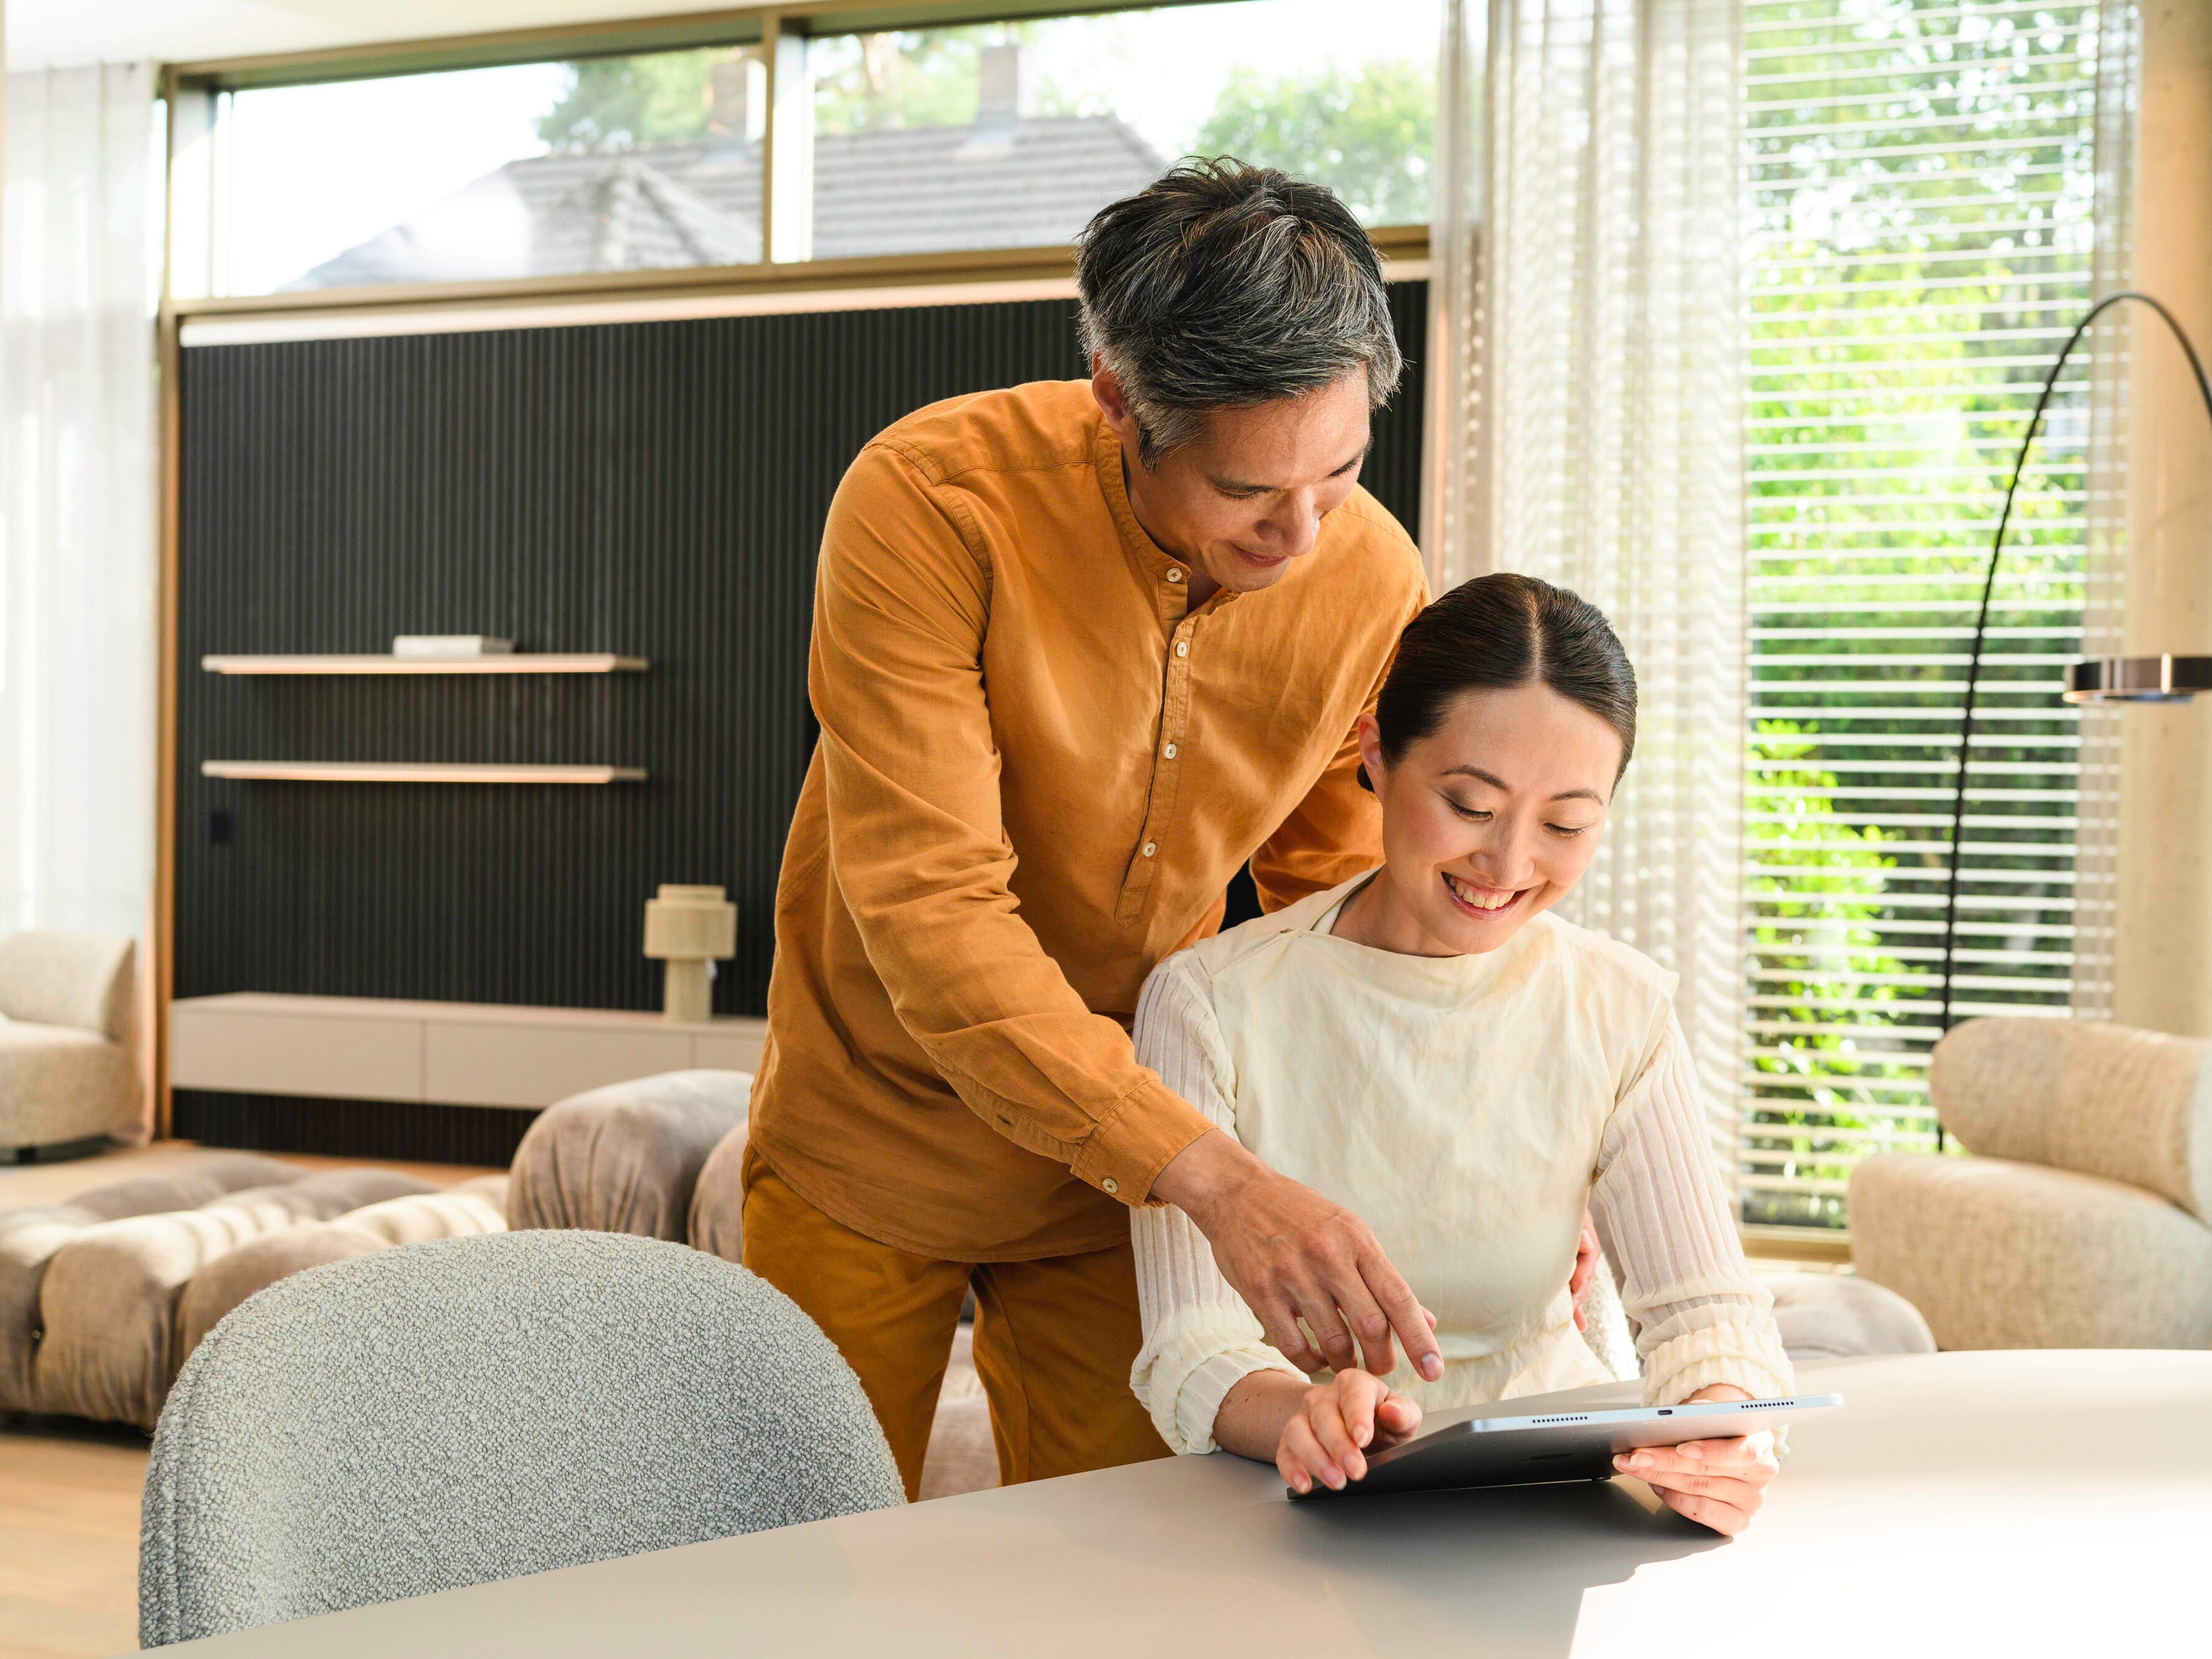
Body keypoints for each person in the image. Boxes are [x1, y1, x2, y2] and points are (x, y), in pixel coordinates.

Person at [741, 160, 1454, 1500]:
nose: (1303, 532)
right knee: (793, 1558)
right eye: (1247, 489)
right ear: (1117, 398)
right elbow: (933, 911)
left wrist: (1484, 1149)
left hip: (1125, 1184)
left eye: (1342, 472)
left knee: (1124, 1551)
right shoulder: (931, 501)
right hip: (875, 1133)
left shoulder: (1369, 573)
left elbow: (1344, 916)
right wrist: (1215, 1177)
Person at [1129, 574, 1795, 1535]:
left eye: (1566, 824)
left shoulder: (1619, 1004)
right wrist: (1301, 1414)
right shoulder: (1208, 1000)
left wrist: (1725, 1431)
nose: (1509, 864)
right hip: (1298, 1506)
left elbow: (1706, 1310)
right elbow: (1192, 1343)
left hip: (1559, 1499)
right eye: (1471, 804)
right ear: (1376, 755)